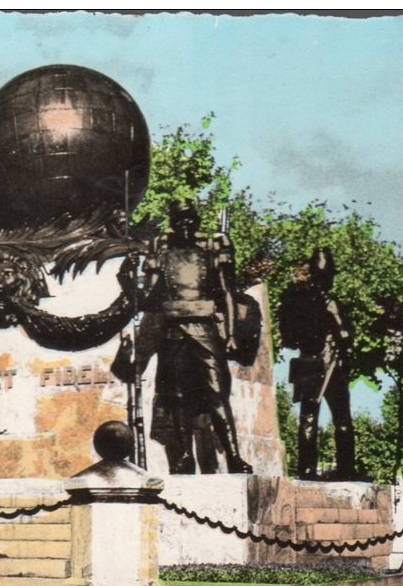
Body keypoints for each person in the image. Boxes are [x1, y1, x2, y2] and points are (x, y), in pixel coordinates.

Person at [113, 200, 254, 474]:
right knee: (177, 397)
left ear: (198, 221)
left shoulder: (213, 249)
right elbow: (149, 299)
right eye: (179, 220)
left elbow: (226, 292)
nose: (186, 225)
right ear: (173, 223)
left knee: (216, 394)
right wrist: (127, 279)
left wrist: (231, 333)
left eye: (190, 219)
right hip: (173, 330)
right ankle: (185, 455)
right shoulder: (162, 252)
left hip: (205, 328)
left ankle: (234, 457)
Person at [278, 248, 356, 480]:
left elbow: (289, 336)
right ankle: (345, 469)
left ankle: (307, 469)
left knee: (308, 418)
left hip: (305, 362)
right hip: (329, 362)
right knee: (341, 419)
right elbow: (343, 334)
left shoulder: (294, 300)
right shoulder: (329, 301)